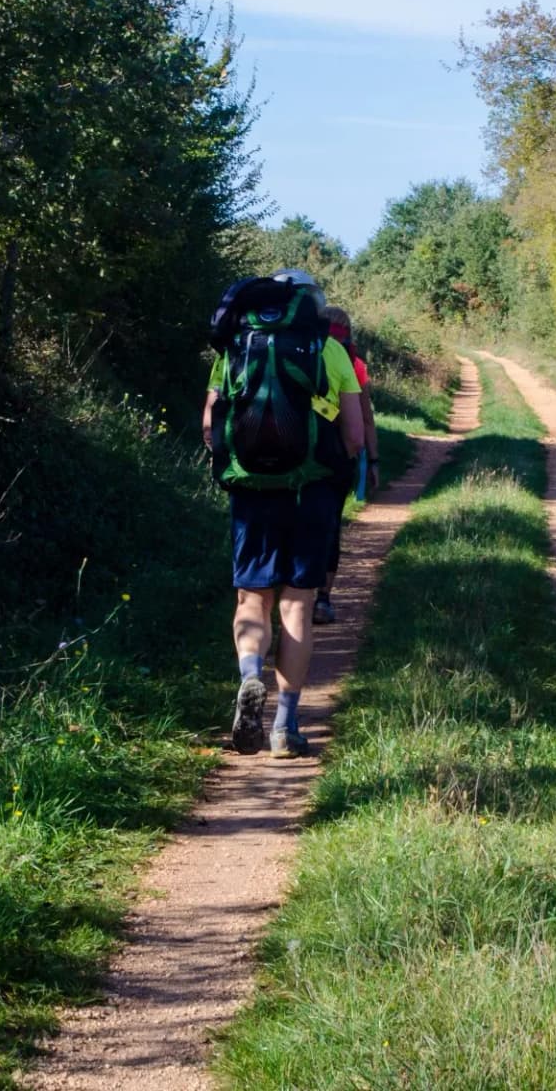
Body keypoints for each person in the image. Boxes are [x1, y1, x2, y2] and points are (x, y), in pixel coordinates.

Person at [202, 270, 368, 758]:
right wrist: (342, 474)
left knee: (252, 599)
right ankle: (284, 726)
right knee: (297, 604)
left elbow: (211, 426)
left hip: (252, 490)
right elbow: (354, 436)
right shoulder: (328, 349)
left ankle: (250, 675)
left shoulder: (235, 345)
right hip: (312, 490)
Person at [314, 306, 380, 626]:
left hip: (297, 453)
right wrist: (372, 460)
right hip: (337, 457)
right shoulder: (354, 364)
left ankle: (285, 597)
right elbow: (365, 419)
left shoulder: (297, 352)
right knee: (329, 524)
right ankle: (322, 599)